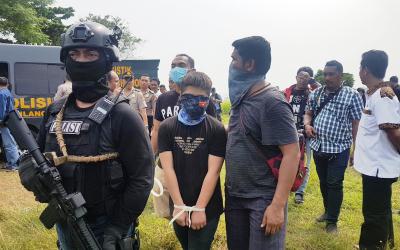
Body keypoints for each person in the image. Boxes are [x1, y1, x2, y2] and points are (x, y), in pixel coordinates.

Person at [33, 21, 154, 249]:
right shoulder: (54, 111)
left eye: (90, 54)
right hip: (65, 220)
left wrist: (117, 227)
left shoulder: (122, 115)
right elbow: (39, 159)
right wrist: (31, 176)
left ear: (106, 60)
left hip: (108, 226)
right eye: (74, 54)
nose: (81, 60)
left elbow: (142, 178)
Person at [225, 36, 300, 250]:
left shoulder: (272, 102)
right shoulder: (241, 98)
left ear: (249, 65)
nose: (230, 65)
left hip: (262, 198)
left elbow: (291, 154)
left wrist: (277, 205)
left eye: (234, 60)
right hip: (235, 195)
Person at [159, 71, 226, 250]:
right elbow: (168, 169)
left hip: (208, 206)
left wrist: (200, 208)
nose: (195, 102)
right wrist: (179, 205)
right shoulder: (167, 127)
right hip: (178, 201)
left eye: (201, 98)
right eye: (189, 97)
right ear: (180, 95)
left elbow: (214, 171)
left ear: (209, 98)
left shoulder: (216, 129)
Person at [304, 60, 363, 233]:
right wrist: (307, 125)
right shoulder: (316, 93)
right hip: (318, 145)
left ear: (340, 75)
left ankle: (332, 221)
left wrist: (355, 148)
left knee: (335, 183)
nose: (327, 77)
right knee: (323, 182)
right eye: (325, 74)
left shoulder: (352, 95)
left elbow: (356, 124)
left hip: (339, 148)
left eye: (331, 74)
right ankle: (328, 210)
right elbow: (308, 113)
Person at [355, 50, 400, 250]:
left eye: (360, 67)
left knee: (374, 214)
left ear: (365, 70)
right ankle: (387, 242)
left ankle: (371, 246)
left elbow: (394, 133)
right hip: (374, 165)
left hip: (378, 167)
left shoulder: (383, 97)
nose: (359, 71)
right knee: (380, 210)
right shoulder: (373, 94)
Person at [151, 54, 215, 154]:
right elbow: (156, 130)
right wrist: (152, 156)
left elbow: (212, 131)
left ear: (192, 71)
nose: (176, 69)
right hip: (167, 161)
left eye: (181, 65)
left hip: (197, 160)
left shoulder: (204, 101)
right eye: (173, 66)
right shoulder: (162, 98)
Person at [283, 68, 312, 204]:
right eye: (300, 76)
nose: (303, 79)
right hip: (288, 133)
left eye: (306, 77)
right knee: (287, 160)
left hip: (305, 134)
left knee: (304, 163)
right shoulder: (286, 93)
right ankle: (286, 187)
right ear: (296, 77)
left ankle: (299, 192)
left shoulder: (312, 94)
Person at [0, 76, 19, 171]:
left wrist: (1, 121)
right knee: (10, 142)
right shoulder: (8, 92)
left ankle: (14, 164)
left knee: (9, 143)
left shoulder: (1, 93)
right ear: (7, 84)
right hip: (9, 120)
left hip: (4, 121)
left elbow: (2, 110)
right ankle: (12, 163)